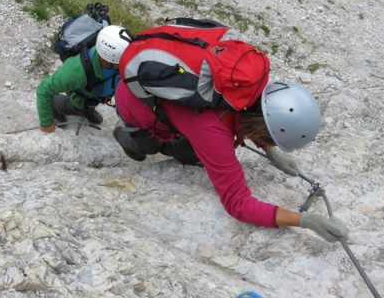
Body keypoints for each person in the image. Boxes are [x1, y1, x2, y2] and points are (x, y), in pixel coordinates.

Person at [112, 80, 350, 243]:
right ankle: (127, 136)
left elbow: (253, 118)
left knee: (192, 146)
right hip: (134, 101)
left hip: (150, 90)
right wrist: (306, 220)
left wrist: (270, 151)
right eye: (272, 140)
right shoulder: (212, 133)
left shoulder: (249, 89)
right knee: (154, 146)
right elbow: (239, 204)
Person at [37, 25, 130, 132]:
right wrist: (46, 122)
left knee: (88, 104)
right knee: (77, 106)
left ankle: (87, 110)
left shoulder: (116, 59)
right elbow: (44, 89)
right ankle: (55, 106)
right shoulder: (76, 71)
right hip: (82, 95)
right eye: (120, 63)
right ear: (105, 60)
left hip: (94, 94)